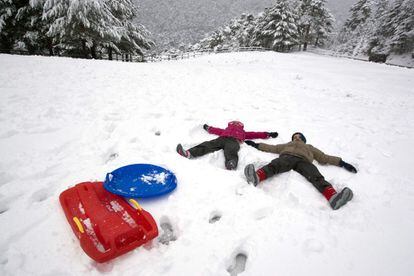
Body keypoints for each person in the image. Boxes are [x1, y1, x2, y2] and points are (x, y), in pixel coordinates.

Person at [244, 132, 357, 210]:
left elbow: (324, 157)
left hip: (304, 161)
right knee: (275, 165)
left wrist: (341, 163)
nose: (297, 138)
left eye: (299, 136)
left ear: (303, 139)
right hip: (286, 157)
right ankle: (256, 177)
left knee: (315, 175)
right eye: (295, 136)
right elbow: (272, 147)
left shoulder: (309, 147)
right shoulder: (287, 145)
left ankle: (333, 197)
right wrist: (256, 145)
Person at [176, 121, 278, 170]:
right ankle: (189, 153)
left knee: (231, 151)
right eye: (234, 124)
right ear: (230, 125)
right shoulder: (225, 130)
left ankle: (231, 163)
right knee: (208, 144)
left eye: (238, 124)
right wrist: (208, 128)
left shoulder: (244, 133)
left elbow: (256, 134)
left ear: (241, 127)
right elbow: (216, 130)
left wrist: (268, 134)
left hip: (234, 141)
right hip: (222, 139)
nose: (236, 125)